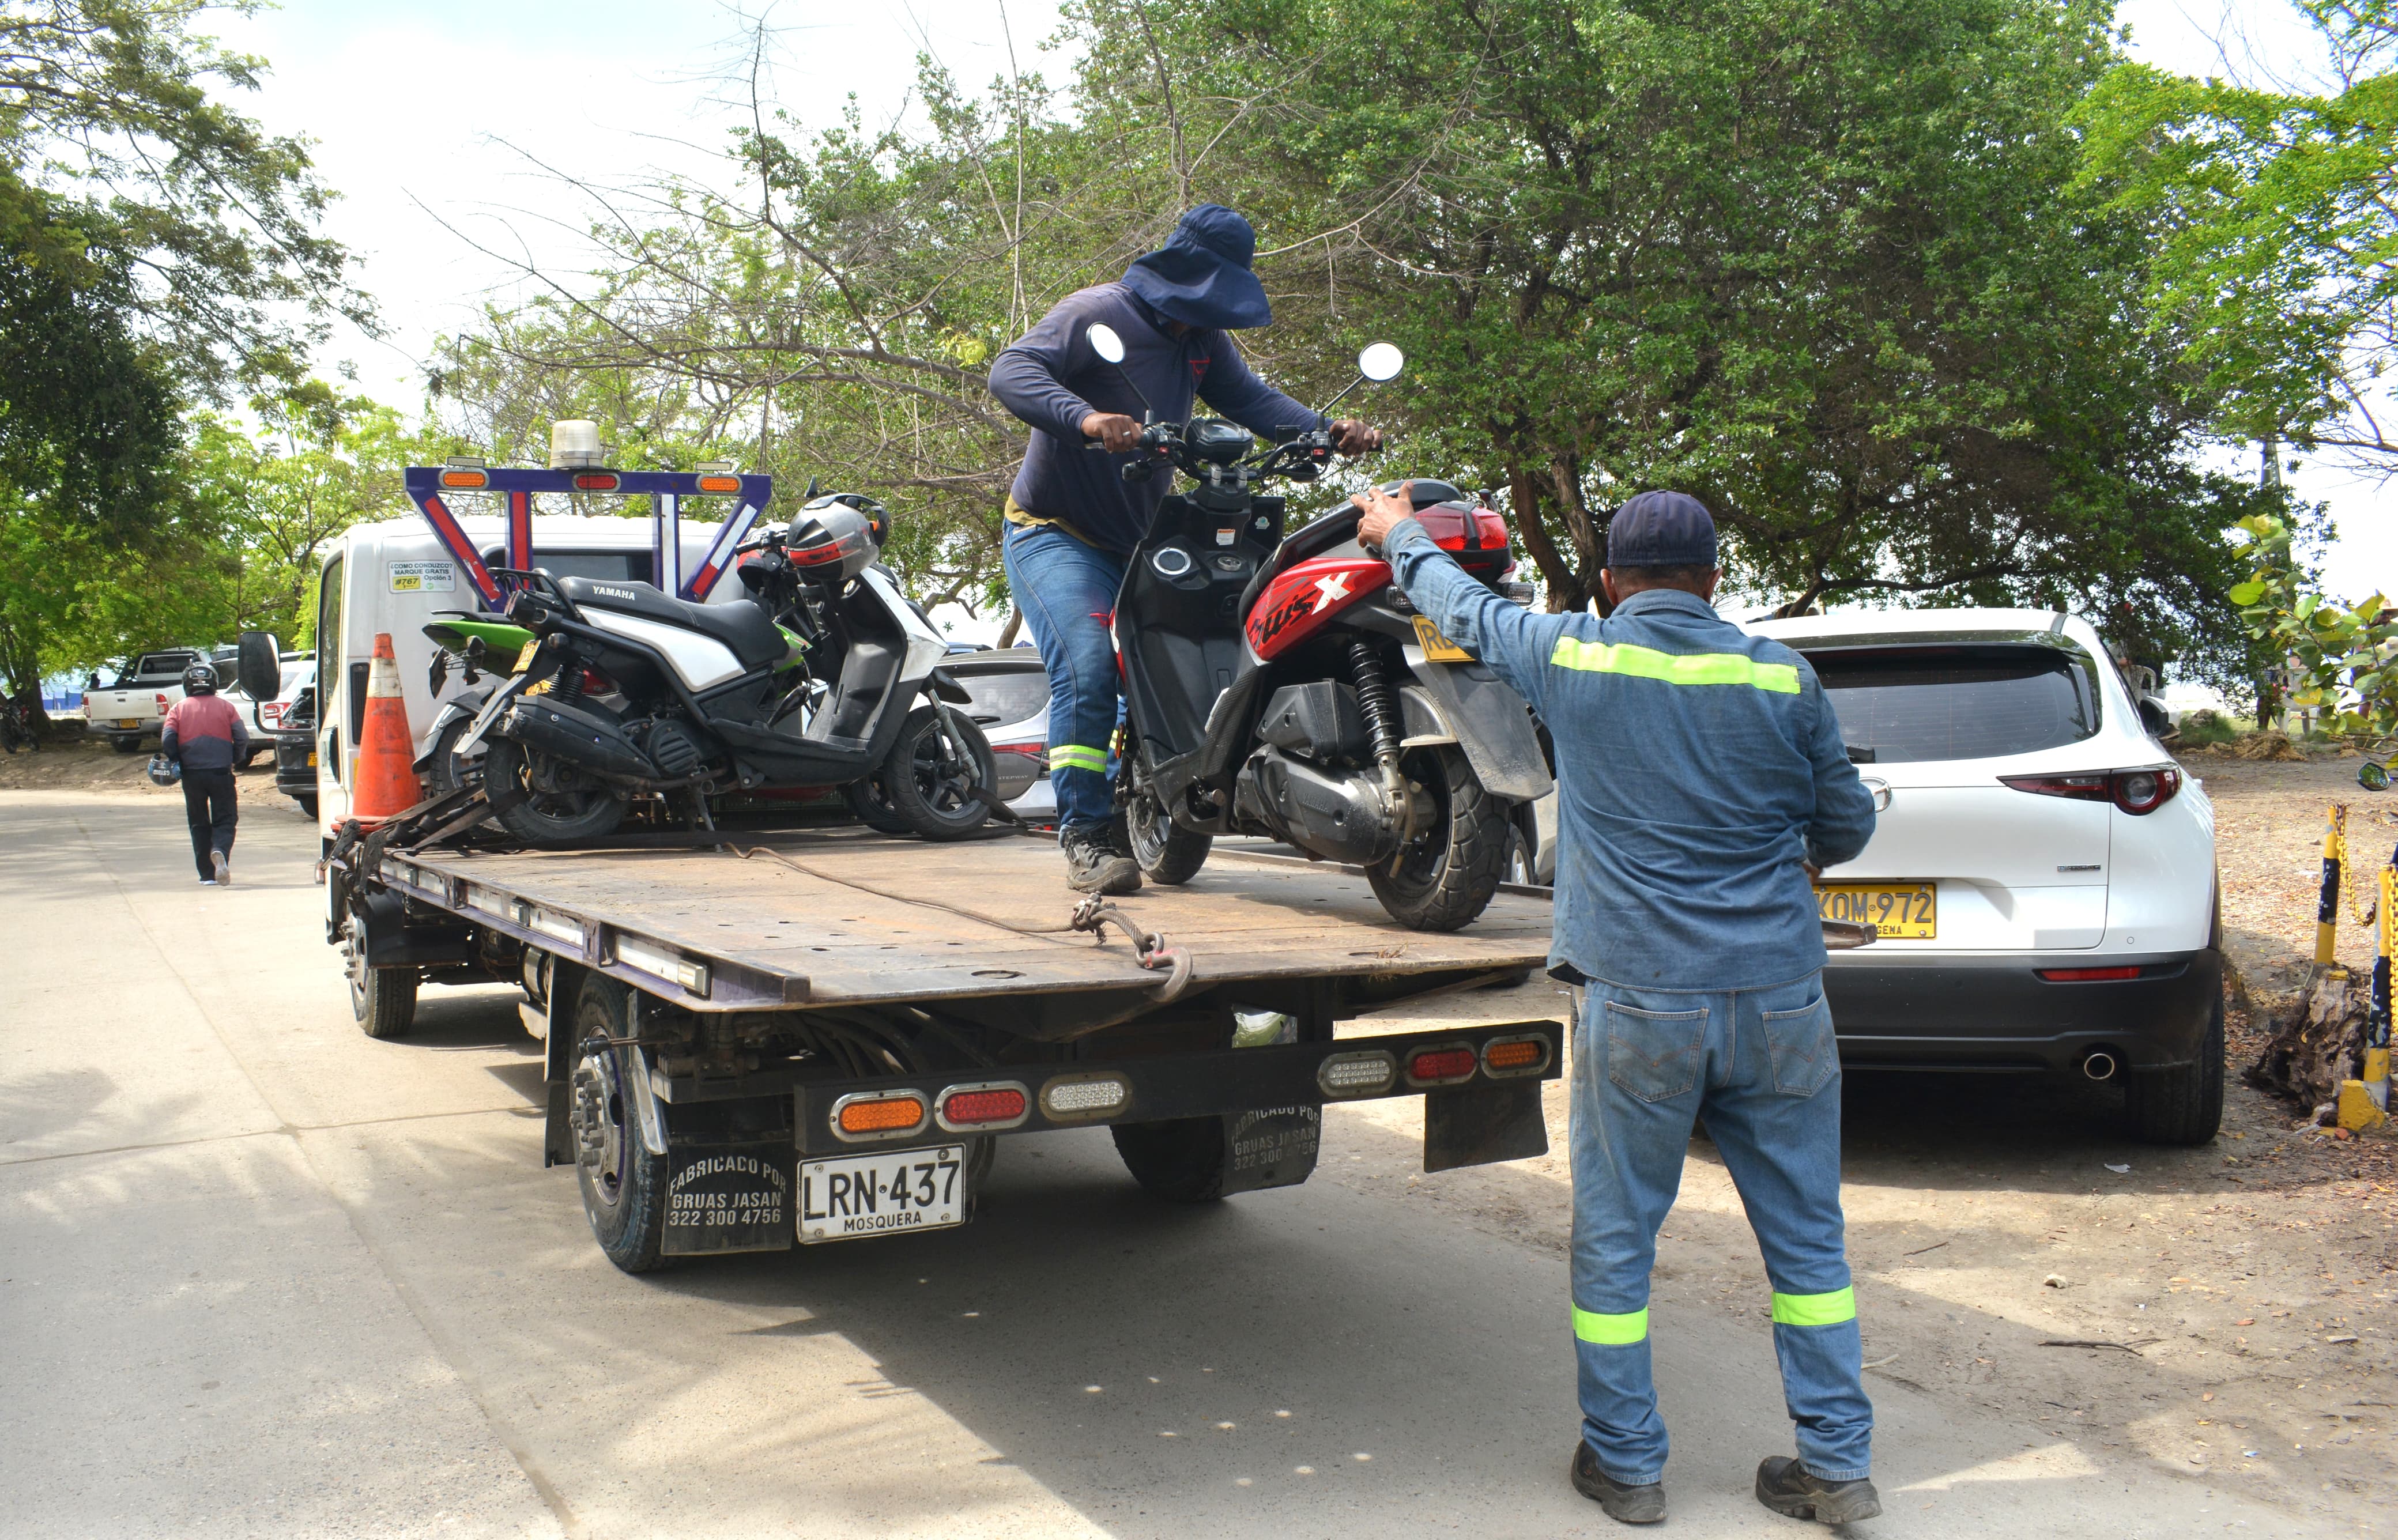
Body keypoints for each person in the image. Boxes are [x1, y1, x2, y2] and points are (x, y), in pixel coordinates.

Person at [1354, 484, 1881, 1527]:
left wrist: (1396, 533)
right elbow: (1849, 826)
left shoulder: (1577, 655)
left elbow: (1464, 609)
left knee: (1615, 1238)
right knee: (1809, 1244)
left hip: (1643, 1005)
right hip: (1780, 999)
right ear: (1714, 579)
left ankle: (1629, 1466)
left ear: (1609, 582)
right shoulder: (1782, 676)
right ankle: (1837, 1466)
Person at [988, 204, 1383, 893]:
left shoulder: (1199, 341)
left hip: (1142, 541)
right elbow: (1011, 372)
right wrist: (1083, 419)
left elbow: (1252, 402)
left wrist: (1325, 430)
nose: (1205, 311)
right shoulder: (1094, 314)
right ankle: (1084, 835)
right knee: (1086, 672)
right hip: (1053, 534)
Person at [161, 661, 248, 887]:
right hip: (221, 772)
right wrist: (235, 758)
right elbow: (242, 737)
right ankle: (219, 850)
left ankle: (207, 876)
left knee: (198, 822)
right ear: (214, 683)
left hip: (192, 775)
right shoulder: (227, 707)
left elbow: (168, 739)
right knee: (226, 818)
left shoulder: (178, 709)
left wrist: (176, 760)